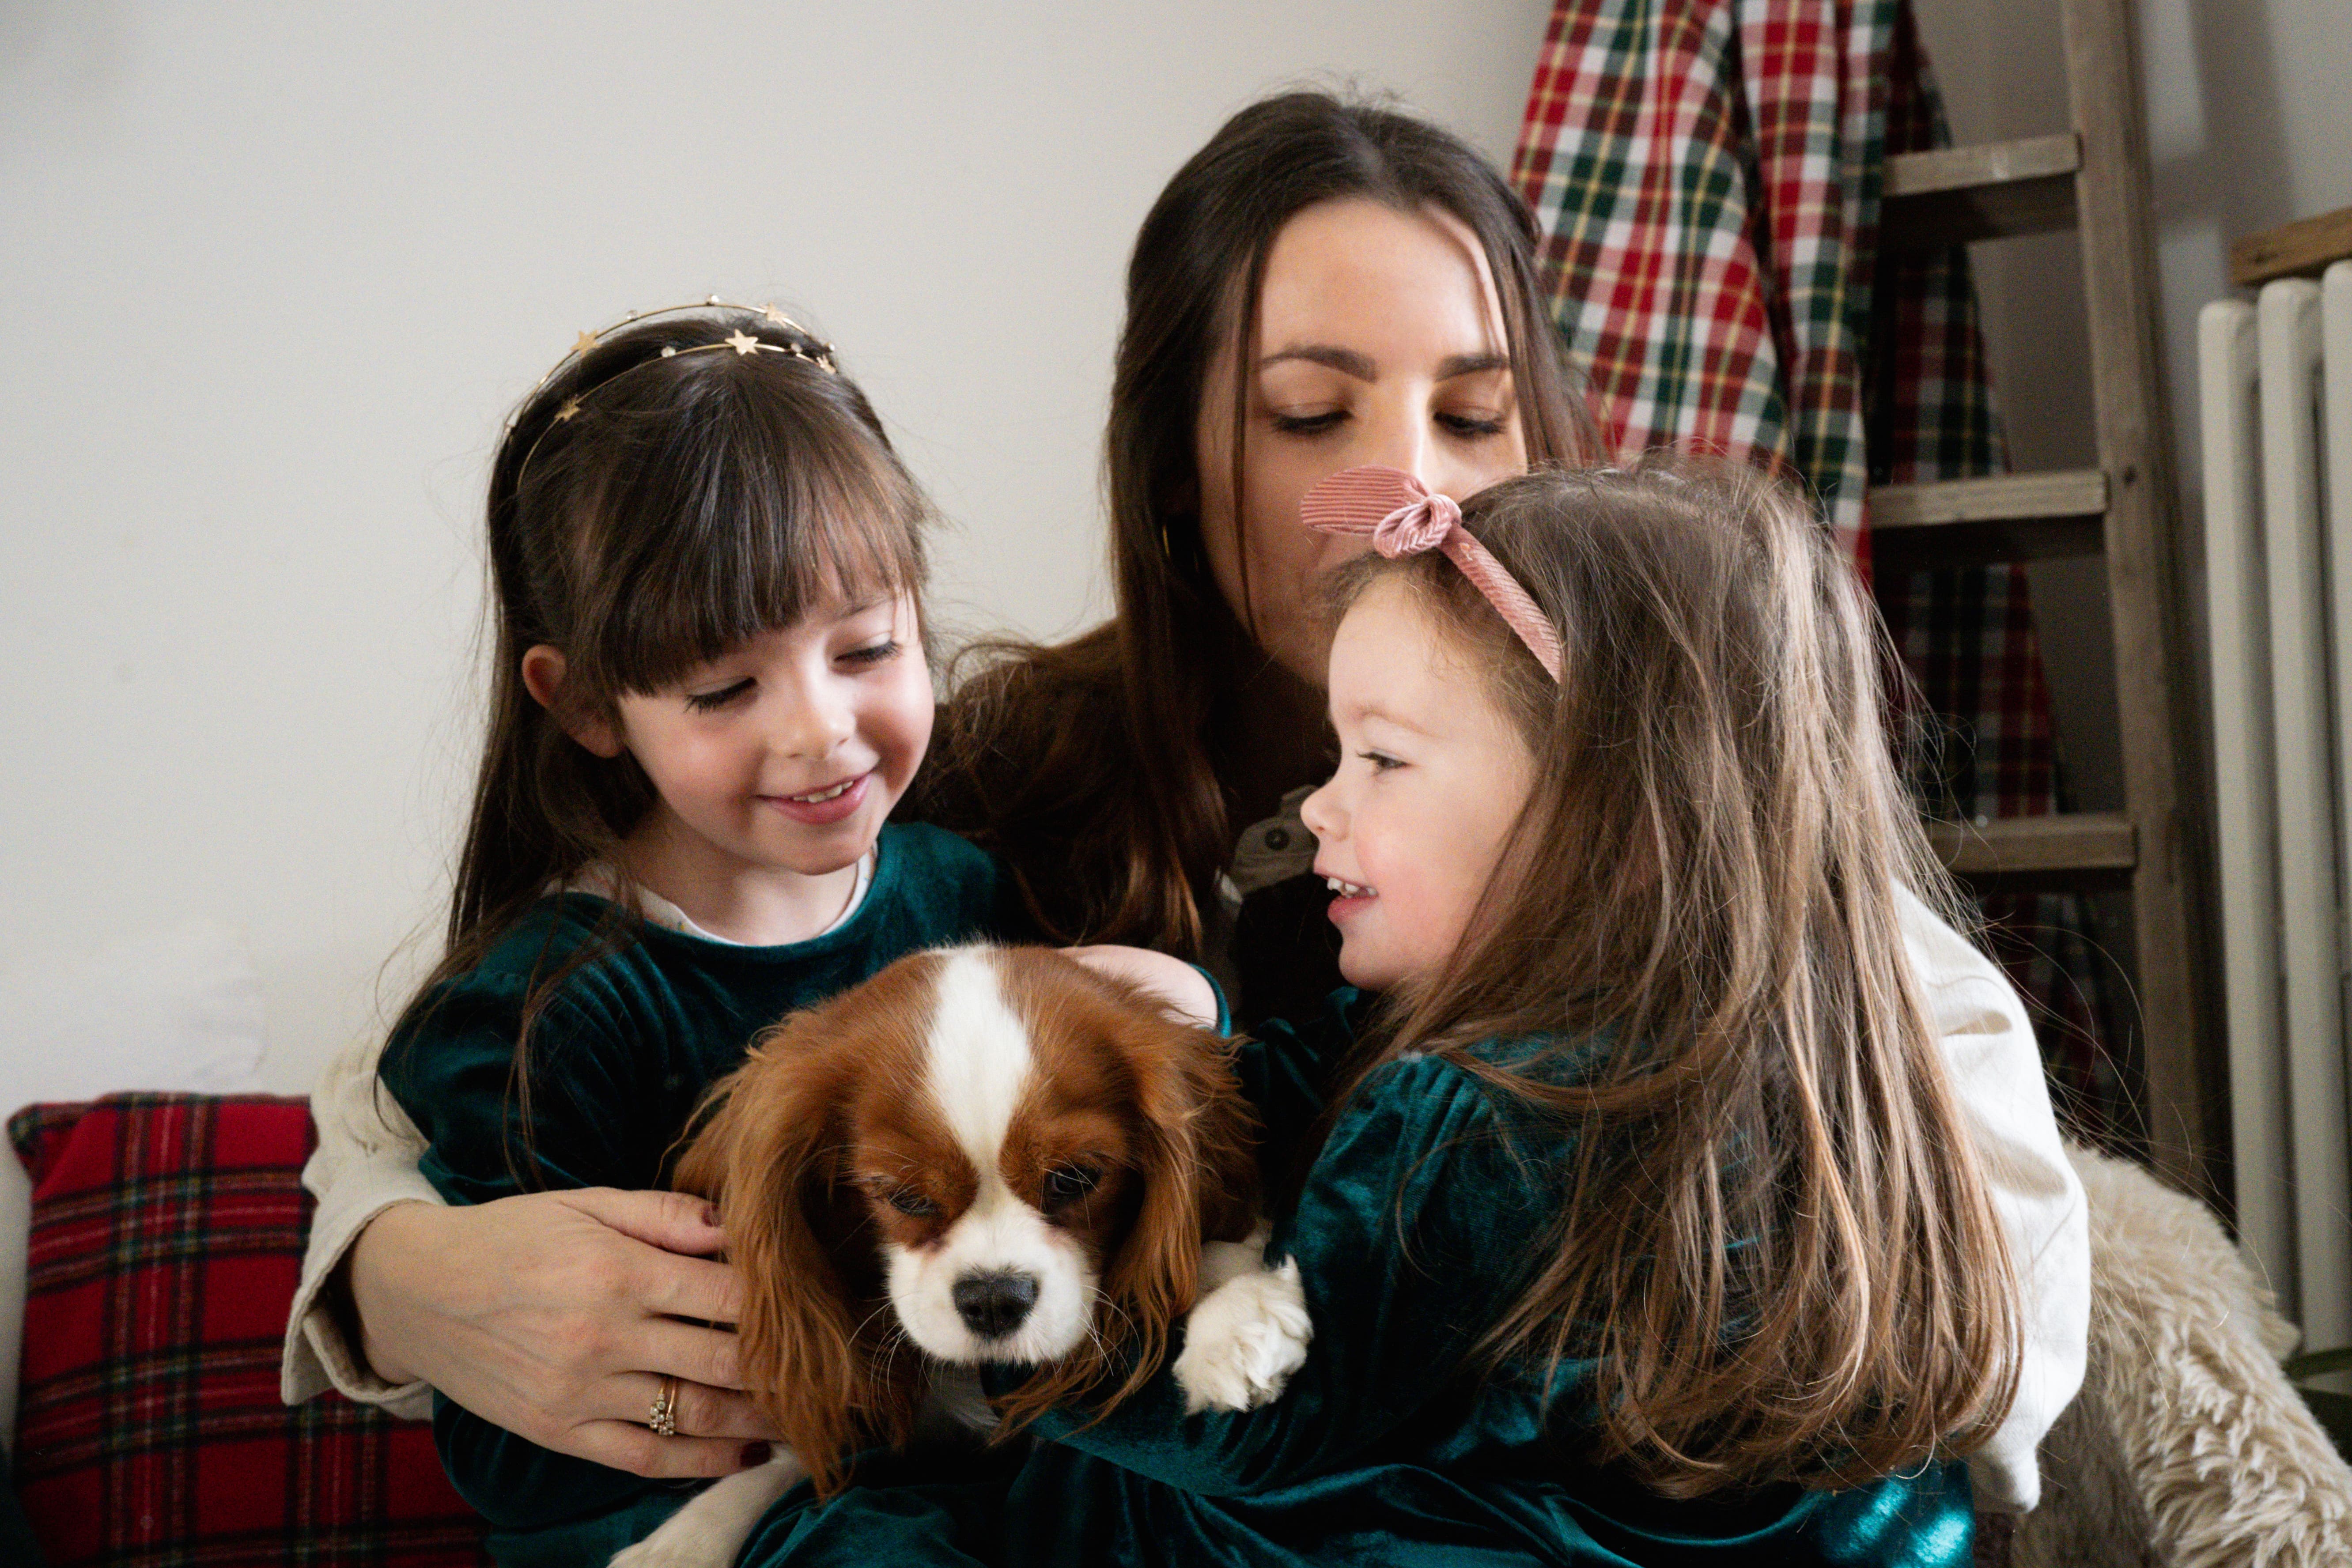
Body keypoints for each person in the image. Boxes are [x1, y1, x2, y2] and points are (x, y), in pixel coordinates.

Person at [284, 92, 2084, 1517]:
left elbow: (1970, 1182)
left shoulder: (1664, 816)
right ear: (1173, 453)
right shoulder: (973, 791)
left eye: (1475, 412)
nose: (1405, 479)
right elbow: (414, 1093)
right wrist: (393, 1279)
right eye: (1315, 411)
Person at [734, 458, 2019, 1565]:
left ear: (1613, 819)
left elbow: (1269, 1428)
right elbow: (1308, 1079)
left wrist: (1004, 1365)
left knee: (1014, 1514)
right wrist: (1163, 1060)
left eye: (1383, 759)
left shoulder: (1491, 1105)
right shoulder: (1782, 1042)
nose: (1319, 809)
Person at [334, 301, 1195, 1562]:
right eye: (728, 688)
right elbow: (518, 1443)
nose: (821, 732)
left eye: (867, 648)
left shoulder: (960, 888)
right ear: (583, 704)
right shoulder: (543, 1010)